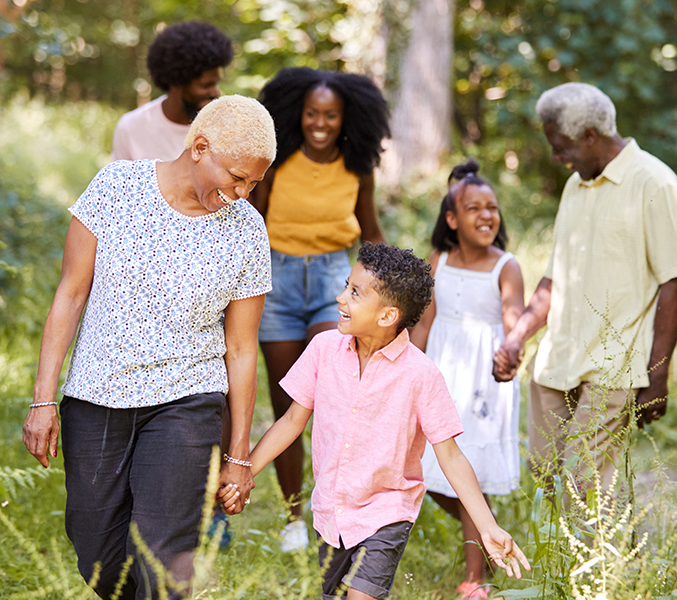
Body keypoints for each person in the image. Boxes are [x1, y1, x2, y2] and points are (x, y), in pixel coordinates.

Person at [23, 95, 277, 600]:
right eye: (237, 177)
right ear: (199, 147)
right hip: (98, 393)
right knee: (95, 547)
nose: (243, 193)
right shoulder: (117, 187)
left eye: (253, 183)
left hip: (187, 401)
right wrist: (44, 398)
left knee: (162, 555)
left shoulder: (247, 231)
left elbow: (242, 348)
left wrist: (239, 455)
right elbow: (70, 295)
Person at [220, 243, 530, 600]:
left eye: (354, 292)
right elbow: (291, 421)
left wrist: (487, 526)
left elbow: (450, 455)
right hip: (331, 512)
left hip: (386, 512)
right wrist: (244, 470)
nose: (340, 298)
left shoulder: (421, 375)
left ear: (387, 316)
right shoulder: (324, 349)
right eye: (346, 286)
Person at [493, 82, 677, 494]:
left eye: (561, 146)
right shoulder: (575, 186)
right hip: (558, 359)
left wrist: (658, 376)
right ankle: (580, 556)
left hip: (614, 365)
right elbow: (556, 276)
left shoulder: (654, 183)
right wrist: (517, 338)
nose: (557, 157)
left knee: (583, 484)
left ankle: (604, 559)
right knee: (545, 474)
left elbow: (674, 283)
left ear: (590, 136)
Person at [249, 67, 390, 551]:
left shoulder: (356, 166)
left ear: (346, 117)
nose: (321, 123)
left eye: (330, 115)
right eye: (312, 113)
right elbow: (253, 219)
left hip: (335, 280)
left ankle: (337, 511)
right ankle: (292, 516)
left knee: (335, 399)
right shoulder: (279, 159)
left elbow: (370, 232)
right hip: (276, 280)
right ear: (298, 114)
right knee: (288, 402)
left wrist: (393, 285)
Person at [408, 159, 524, 599]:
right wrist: (407, 370)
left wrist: (511, 352)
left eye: (492, 207)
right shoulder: (439, 259)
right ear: (452, 220)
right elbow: (423, 324)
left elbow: (514, 325)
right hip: (441, 373)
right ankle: (486, 529)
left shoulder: (505, 266)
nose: (486, 215)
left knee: (467, 467)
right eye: (473, 208)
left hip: (482, 386)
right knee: (426, 466)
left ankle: (475, 581)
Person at [111, 21, 233, 161]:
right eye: (206, 85)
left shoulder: (226, 129)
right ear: (176, 82)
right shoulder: (131, 129)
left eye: (216, 83)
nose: (214, 93)